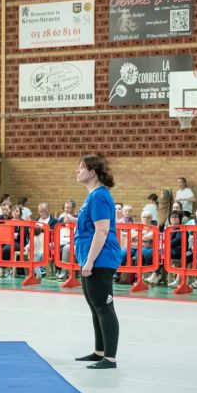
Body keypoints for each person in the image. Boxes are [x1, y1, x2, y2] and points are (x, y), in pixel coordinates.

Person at [73, 154, 121, 370]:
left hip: (100, 260)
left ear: (92, 172)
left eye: (81, 167)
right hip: (89, 258)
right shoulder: (92, 195)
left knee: (104, 307)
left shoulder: (100, 196)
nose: (77, 171)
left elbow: (101, 231)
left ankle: (109, 358)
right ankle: (99, 351)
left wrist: (90, 261)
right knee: (95, 307)